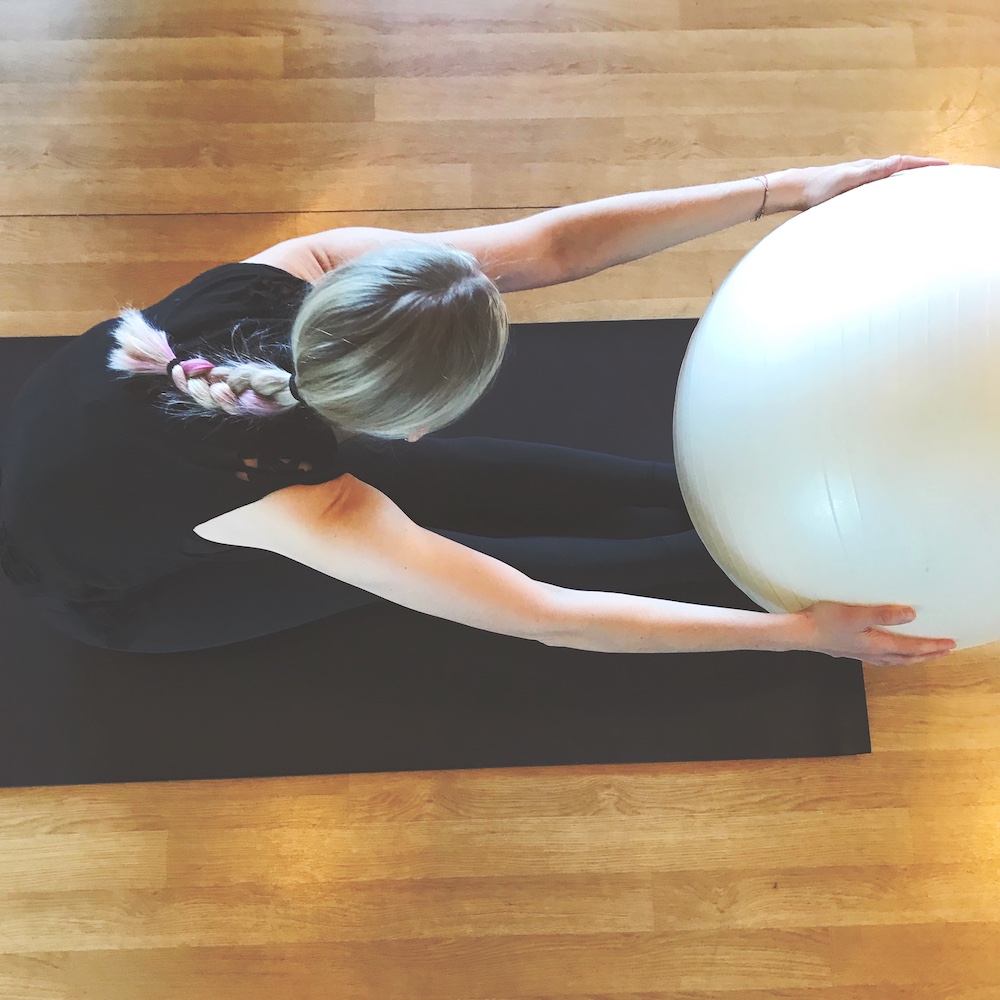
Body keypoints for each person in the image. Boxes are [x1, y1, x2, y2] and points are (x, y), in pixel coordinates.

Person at [0, 155, 958, 664]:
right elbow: (545, 613)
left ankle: (698, 500)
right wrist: (796, 634)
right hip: (115, 595)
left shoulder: (292, 273)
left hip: (81, 458)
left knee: (438, 492)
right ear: (407, 418)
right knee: (389, 561)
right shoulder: (296, 501)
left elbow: (546, 247)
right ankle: (722, 552)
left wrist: (793, 189)